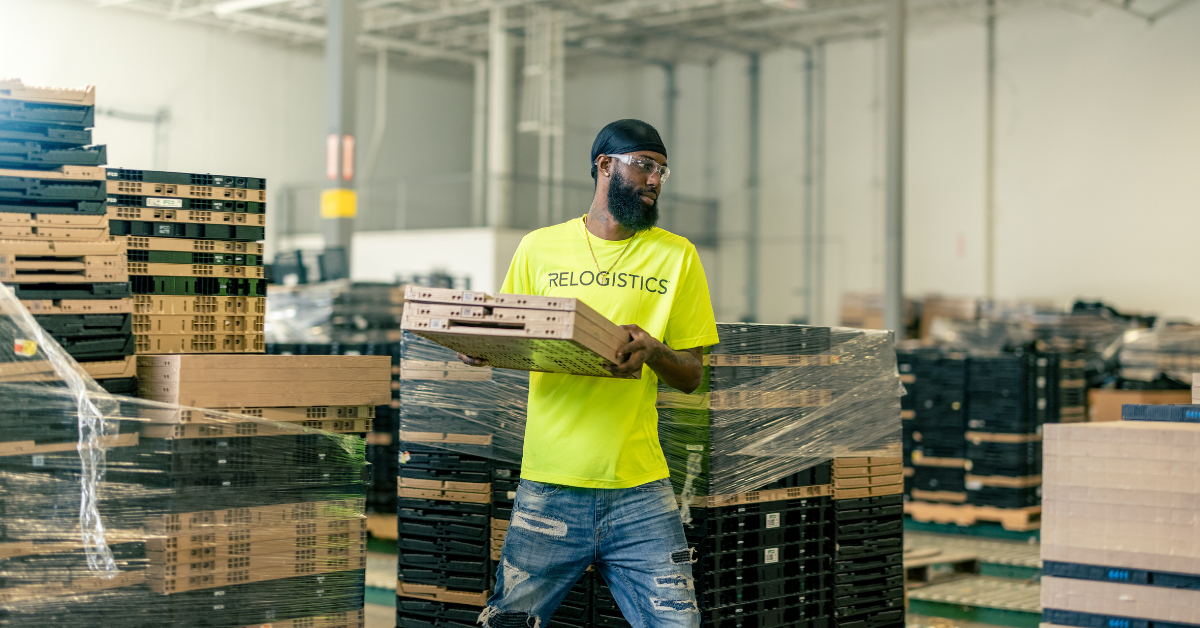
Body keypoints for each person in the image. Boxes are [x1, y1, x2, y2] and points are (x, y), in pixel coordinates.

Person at [461, 119, 719, 628]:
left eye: (662, 170)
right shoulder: (539, 248)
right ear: (604, 166)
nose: (654, 180)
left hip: (639, 489)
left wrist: (653, 350)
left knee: (678, 624)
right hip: (549, 484)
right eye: (644, 165)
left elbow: (691, 375)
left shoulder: (677, 256)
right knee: (510, 622)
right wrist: (481, 348)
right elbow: (513, 335)